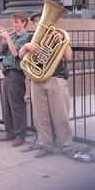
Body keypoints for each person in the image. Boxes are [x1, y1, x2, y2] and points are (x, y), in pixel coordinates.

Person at [19, 10, 75, 158]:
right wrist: (26, 47)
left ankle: (66, 146)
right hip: (37, 81)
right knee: (40, 118)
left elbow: (68, 56)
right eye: (36, 21)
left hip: (56, 79)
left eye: (41, 20)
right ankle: (46, 146)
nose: (39, 23)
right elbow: (20, 55)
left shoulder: (59, 36)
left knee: (61, 116)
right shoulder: (32, 38)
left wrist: (63, 40)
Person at [0, 11, 30, 147]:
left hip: (17, 73)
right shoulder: (13, 36)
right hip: (7, 72)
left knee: (17, 105)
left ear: (24, 23)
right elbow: (0, 50)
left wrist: (7, 37)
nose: (14, 24)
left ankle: (20, 134)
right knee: (6, 105)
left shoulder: (26, 37)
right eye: (13, 22)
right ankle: (9, 132)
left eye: (17, 22)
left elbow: (16, 53)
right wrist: (0, 38)